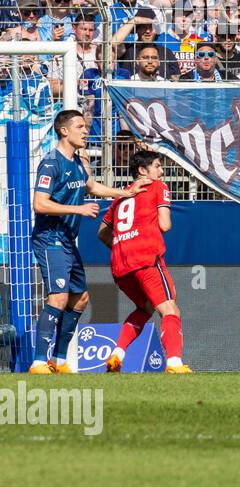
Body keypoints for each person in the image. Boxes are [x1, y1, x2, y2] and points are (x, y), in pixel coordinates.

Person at [28, 109, 147, 374]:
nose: (85, 130)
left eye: (85, 126)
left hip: (67, 240)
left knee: (80, 299)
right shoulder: (51, 163)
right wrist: (78, 210)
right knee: (58, 298)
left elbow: (91, 186)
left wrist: (126, 192)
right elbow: (39, 204)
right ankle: (38, 362)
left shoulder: (79, 162)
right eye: (80, 126)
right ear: (64, 130)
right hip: (50, 238)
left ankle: (58, 361)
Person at [96, 148, 191, 374]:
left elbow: (102, 233)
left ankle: (117, 354)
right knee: (170, 310)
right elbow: (165, 225)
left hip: (120, 265)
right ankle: (175, 363)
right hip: (146, 257)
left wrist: (123, 242)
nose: (162, 171)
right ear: (142, 170)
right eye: (158, 166)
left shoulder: (121, 196)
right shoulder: (157, 186)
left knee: (145, 307)